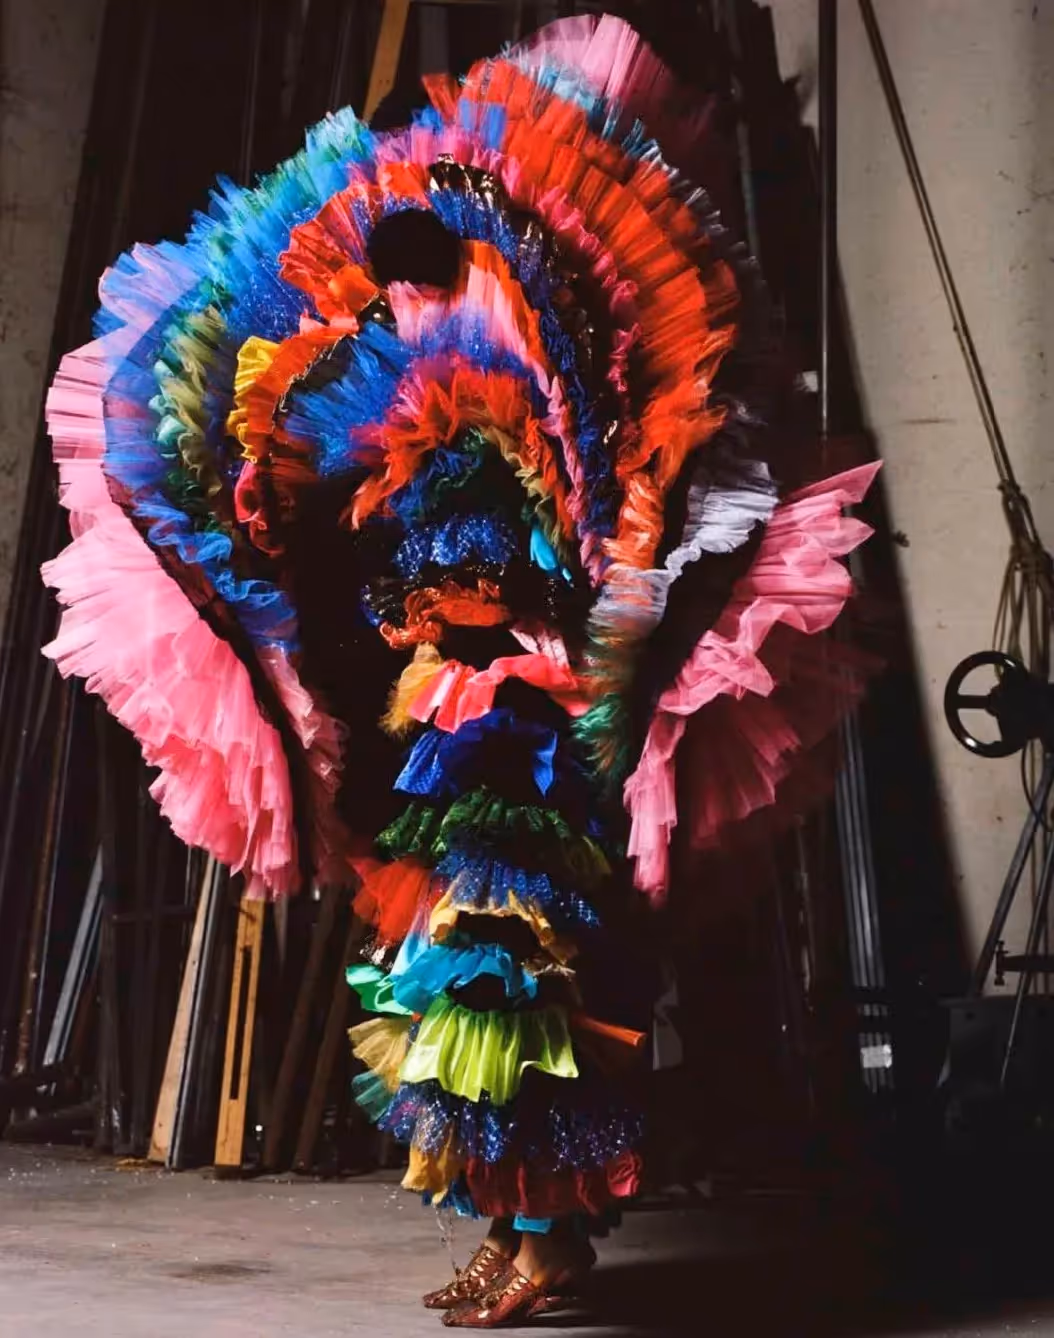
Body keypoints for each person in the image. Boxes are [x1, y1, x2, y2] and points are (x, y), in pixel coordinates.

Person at [42, 15, 877, 1328]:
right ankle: (514, 1226)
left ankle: (545, 1236)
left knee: (515, 979)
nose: (398, 305)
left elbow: (573, 556)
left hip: (519, 730)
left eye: (415, 282)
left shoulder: (528, 386)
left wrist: (503, 625)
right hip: (447, 720)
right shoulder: (382, 396)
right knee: (459, 984)